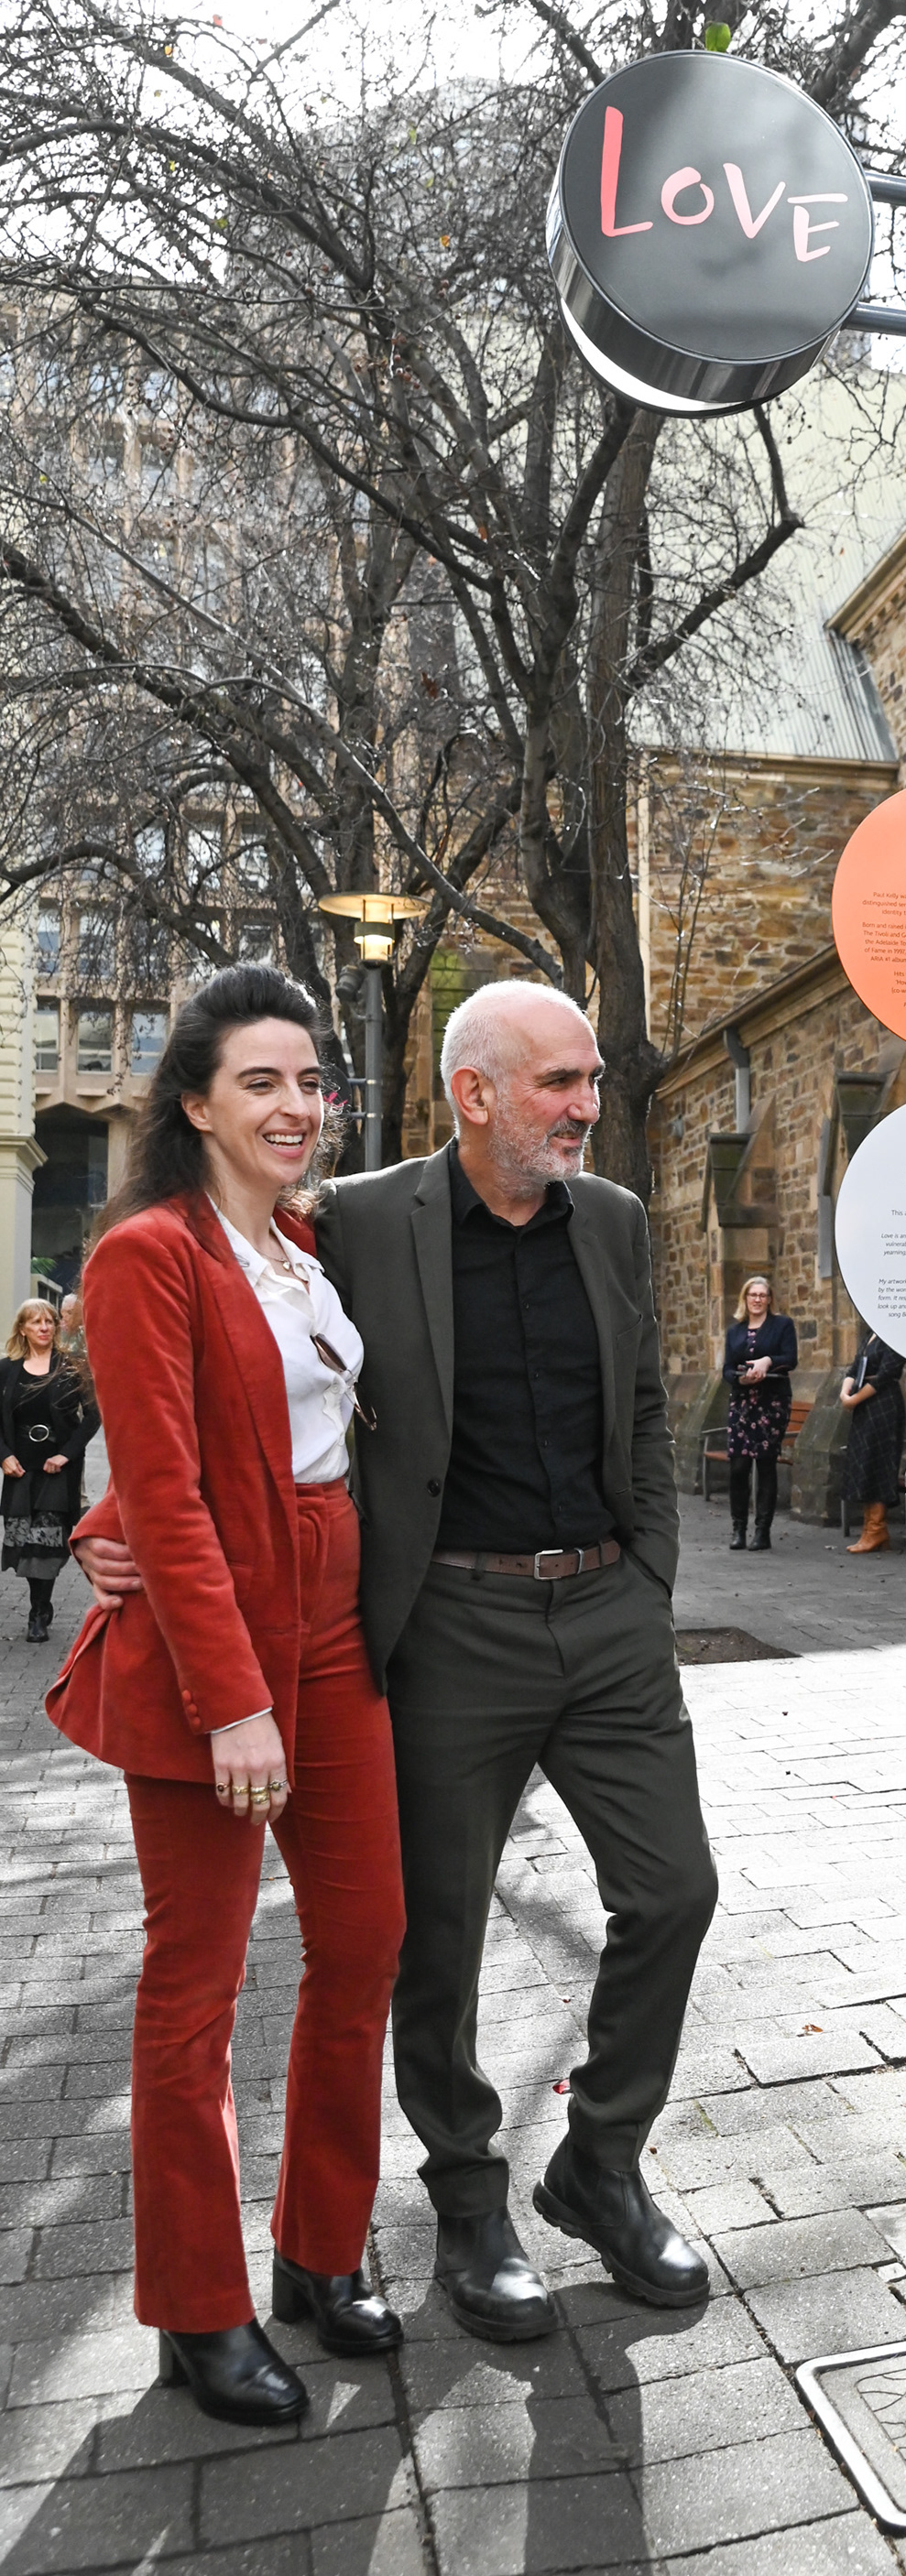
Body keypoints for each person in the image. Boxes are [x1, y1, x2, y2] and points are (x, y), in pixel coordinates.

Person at [81, 979, 717, 2340]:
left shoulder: (595, 1219)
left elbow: (649, 1406)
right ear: (473, 1092)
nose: (585, 1106)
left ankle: (590, 2168)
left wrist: (651, 1580)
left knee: (659, 1892)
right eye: (558, 1081)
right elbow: (178, 1385)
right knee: (414, 1938)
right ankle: (453, 2207)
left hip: (591, 1612)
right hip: (436, 1624)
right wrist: (108, 1518)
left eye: (592, 1079)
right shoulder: (358, 1220)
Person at [47, 965, 405, 2429]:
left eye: (311, 1082)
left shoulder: (314, 1251)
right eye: (263, 1081)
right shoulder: (146, 1254)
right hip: (223, 1645)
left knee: (367, 1937)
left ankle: (318, 2249)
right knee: (193, 1986)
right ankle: (199, 2305)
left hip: (337, 1622)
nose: (298, 1105)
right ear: (194, 1101)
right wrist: (233, 1701)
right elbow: (171, 1494)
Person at [2, 1299, 98, 1639]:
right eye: (35, 1322)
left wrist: (67, 1455)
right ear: (23, 1329)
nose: (43, 1327)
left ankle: (38, 1612)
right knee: (26, 1542)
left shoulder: (71, 1367)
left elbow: (93, 1417)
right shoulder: (7, 1369)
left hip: (56, 1470)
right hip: (20, 1469)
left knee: (46, 1541)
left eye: (48, 1321)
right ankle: (38, 1601)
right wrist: (4, 1455)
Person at [721, 1276, 796, 1551]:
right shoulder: (735, 1332)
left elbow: (791, 1358)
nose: (757, 1299)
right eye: (752, 1294)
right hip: (742, 1402)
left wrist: (768, 1361)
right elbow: (727, 1369)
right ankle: (738, 1529)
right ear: (745, 1298)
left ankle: (762, 1532)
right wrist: (740, 1379)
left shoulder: (782, 1325)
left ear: (769, 1299)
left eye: (762, 1295)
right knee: (739, 1466)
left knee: (765, 1464)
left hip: (771, 1402)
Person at [841, 1329, 906, 1554]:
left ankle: (876, 1529)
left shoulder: (897, 1334)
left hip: (883, 1404)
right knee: (865, 1462)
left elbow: (886, 1374)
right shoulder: (870, 1334)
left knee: (880, 1462)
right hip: (864, 1406)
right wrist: (844, 1393)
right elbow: (855, 1367)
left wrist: (854, 1399)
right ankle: (871, 1530)